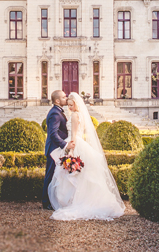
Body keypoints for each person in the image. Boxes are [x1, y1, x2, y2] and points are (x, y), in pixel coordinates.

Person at [47, 92, 125, 220]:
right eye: (69, 104)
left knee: (73, 175)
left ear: (76, 104)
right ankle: (84, 199)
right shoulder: (81, 115)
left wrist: (70, 151)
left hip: (75, 144)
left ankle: (74, 201)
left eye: (71, 105)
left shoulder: (74, 116)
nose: (69, 107)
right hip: (81, 144)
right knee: (83, 175)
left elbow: (74, 135)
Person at [42, 90, 73, 210]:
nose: (66, 98)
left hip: (55, 149)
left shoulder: (58, 111)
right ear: (57, 101)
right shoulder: (55, 113)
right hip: (53, 150)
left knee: (54, 175)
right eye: (64, 97)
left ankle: (52, 199)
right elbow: (53, 134)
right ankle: (46, 202)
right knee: (49, 175)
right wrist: (65, 145)